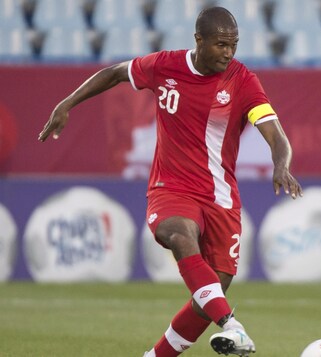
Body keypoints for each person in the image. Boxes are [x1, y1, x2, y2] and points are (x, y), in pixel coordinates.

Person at [38, 7, 302, 357]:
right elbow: (116, 73)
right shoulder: (165, 66)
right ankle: (233, 327)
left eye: (234, 44)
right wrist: (67, 103)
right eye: (221, 44)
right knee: (178, 233)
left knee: (213, 290)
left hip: (221, 198)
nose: (228, 52)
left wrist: (281, 163)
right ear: (199, 40)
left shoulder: (242, 80)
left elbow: (275, 132)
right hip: (171, 189)